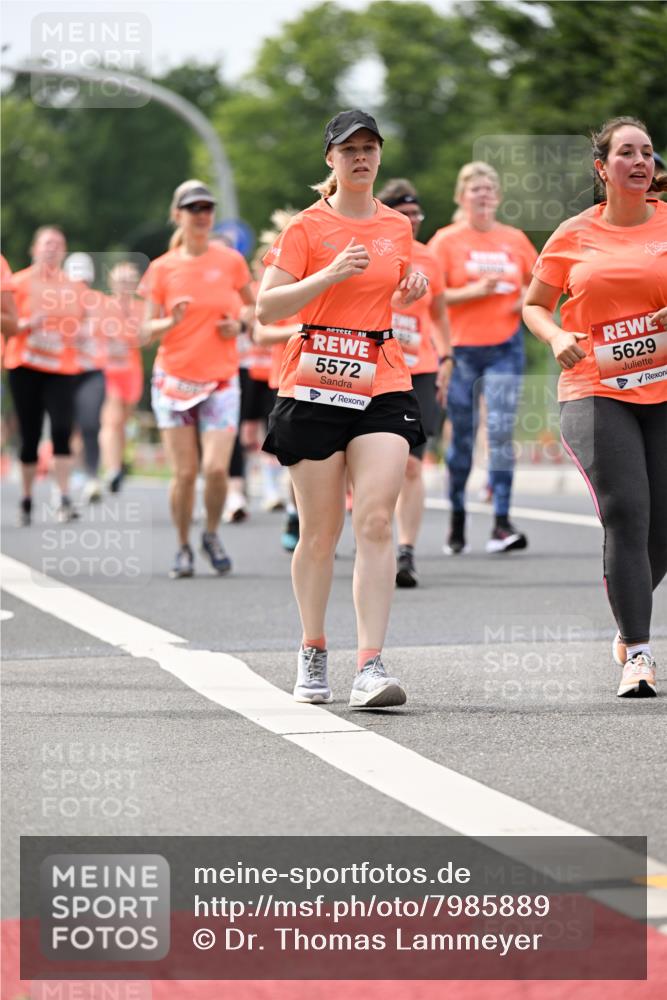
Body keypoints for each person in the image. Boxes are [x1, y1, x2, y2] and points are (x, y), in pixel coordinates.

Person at [257, 110, 428, 708]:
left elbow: (395, 282)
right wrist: (327, 273)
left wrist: (412, 287)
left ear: (380, 156)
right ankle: (312, 648)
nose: (361, 157)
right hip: (312, 381)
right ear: (328, 159)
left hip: (380, 374)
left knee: (377, 518)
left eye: (370, 147)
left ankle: (370, 666)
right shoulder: (307, 228)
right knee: (320, 533)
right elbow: (267, 308)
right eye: (349, 148)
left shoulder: (395, 226)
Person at [523, 116, 667, 699]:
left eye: (648, 152)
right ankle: (637, 650)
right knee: (628, 512)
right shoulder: (573, 234)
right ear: (601, 168)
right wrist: (557, 336)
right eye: (626, 153)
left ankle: (625, 596)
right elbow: (534, 304)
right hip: (596, 388)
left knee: (665, 522)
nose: (640, 161)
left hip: (663, 384)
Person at [138, 179, 254, 578]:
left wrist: (237, 325)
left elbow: (255, 310)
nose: (202, 215)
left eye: (207, 207)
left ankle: (210, 531)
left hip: (221, 379)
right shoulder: (161, 269)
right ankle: (183, 544)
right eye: (193, 208)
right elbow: (143, 331)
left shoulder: (230, 262)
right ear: (178, 215)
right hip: (173, 381)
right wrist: (170, 321)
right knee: (185, 473)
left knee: (218, 470)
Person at [428, 162, 537, 554]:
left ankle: (502, 522)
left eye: (490, 188)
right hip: (460, 351)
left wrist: (526, 299)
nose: (484, 194)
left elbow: (539, 286)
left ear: (499, 197)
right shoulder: (445, 241)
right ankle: (457, 517)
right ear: (462, 197)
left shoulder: (515, 239)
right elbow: (432, 300)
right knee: (461, 435)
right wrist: (473, 291)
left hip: (505, 346)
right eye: (476, 189)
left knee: (502, 431)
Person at [376, 178, 453, 587]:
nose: (412, 222)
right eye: (403, 216)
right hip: (372, 365)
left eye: (416, 215)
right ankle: (373, 534)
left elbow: (439, 314)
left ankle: (405, 551)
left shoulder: (430, 259)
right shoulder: (375, 250)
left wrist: (448, 356)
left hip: (419, 369)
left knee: (410, 463)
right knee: (370, 465)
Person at [5, 226, 83, 523]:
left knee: (62, 429)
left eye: (58, 244)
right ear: (34, 249)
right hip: (25, 365)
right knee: (30, 435)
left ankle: (63, 497)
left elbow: (82, 324)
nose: (53, 248)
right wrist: (27, 323)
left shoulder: (73, 287)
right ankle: (26, 498)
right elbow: (7, 322)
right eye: (47, 243)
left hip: (61, 367)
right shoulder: (18, 282)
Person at [251, 209, 302, 551]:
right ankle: (295, 514)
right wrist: (299, 330)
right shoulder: (276, 277)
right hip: (284, 379)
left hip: (328, 375)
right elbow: (259, 333)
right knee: (296, 456)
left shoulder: (327, 273)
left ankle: (307, 515)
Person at [65, 252, 107, 504]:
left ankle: (92, 476)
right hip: (64, 371)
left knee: (90, 424)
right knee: (65, 426)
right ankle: (68, 476)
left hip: (92, 370)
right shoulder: (57, 300)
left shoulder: (100, 302)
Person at [99, 261, 144, 492]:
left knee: (124, 422)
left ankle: (118, 465)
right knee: (111, 420)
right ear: (112, 282)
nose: (125, 284)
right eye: (121, 280)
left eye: (130, 280)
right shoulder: (103, 306)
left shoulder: (141, 308)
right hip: (108, 371)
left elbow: (147, 337)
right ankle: (112, 469)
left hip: (132, 371)